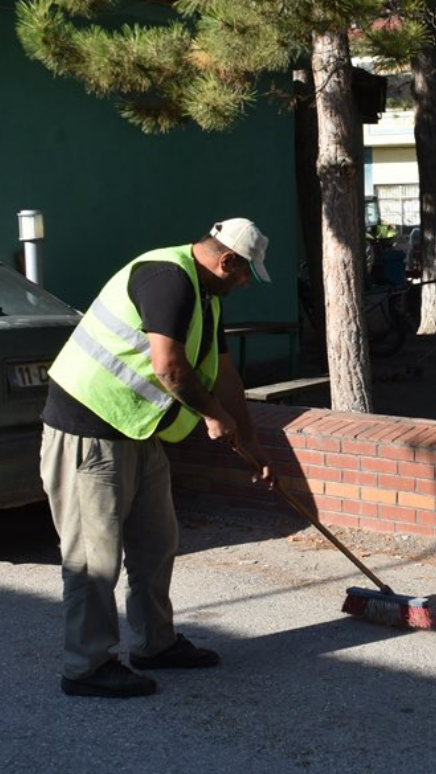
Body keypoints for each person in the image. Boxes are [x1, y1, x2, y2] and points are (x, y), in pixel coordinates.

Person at [39, 217, 276, 698]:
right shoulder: (166, 278)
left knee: (155, 543)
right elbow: (169, 367)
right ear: (226, 260)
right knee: (93, 557)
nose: (247, 282)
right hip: (89, 428)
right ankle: (86, 666)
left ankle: (156, 644)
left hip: (138, 429)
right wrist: (212, 416)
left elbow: (224, 372)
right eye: (246, 272)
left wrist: (250, 439)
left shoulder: (206, 295)